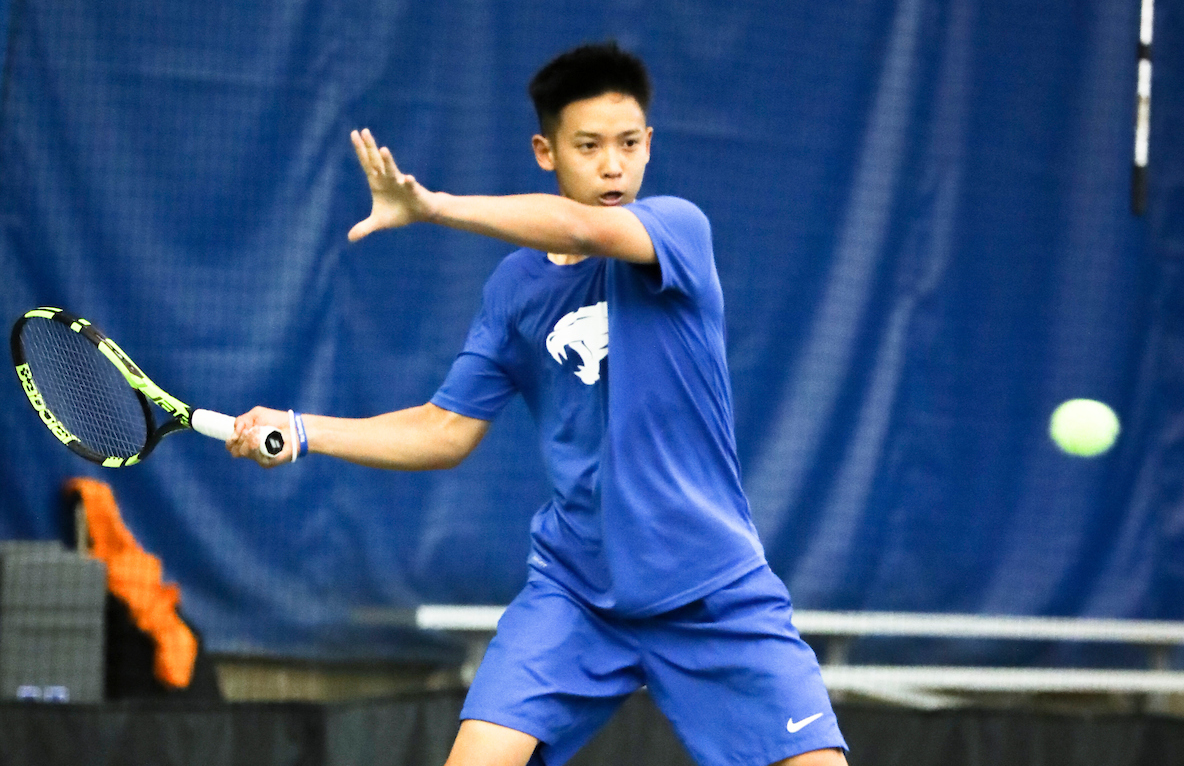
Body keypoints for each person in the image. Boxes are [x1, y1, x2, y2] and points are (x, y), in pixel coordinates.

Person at [228, 42, 848, 766]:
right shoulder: (514, 291)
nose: (612, 166)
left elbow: (583, 229)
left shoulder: (679, 230)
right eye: (588, 146)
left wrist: (431, 206)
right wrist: (302, 429)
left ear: (650, 146)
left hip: (714, 590)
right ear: (545, 151)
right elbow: (444, 429)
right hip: (577, 596)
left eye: (627, 144)